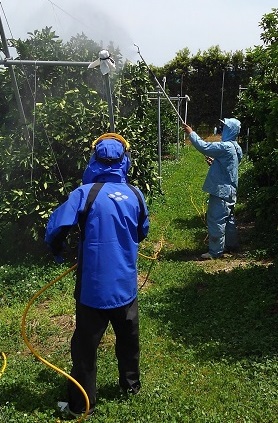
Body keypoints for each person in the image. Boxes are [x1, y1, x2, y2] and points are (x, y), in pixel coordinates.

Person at [45, 133, 149, 418]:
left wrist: (58, 248)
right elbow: (142, 231)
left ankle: (81, 404)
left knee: (85, 348)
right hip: (125, 286)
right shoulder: (136, 195)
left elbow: (56, 227)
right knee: (129, 340)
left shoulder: (85, 193)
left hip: (93, 289)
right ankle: (131, 387)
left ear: (94, 159)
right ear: (124, 160)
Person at [182, 118, 243, 259]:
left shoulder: (226, 147)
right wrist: (215, 163)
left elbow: (204, 146)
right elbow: (229, 165)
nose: (223, 130)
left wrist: (191, 133)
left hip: (221, 190)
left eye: (225, 127)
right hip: (231, 190)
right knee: (229, 219)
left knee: (216, 220)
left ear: (231, 130)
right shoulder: (236, 147)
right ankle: (231, 245)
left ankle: (215, 252)